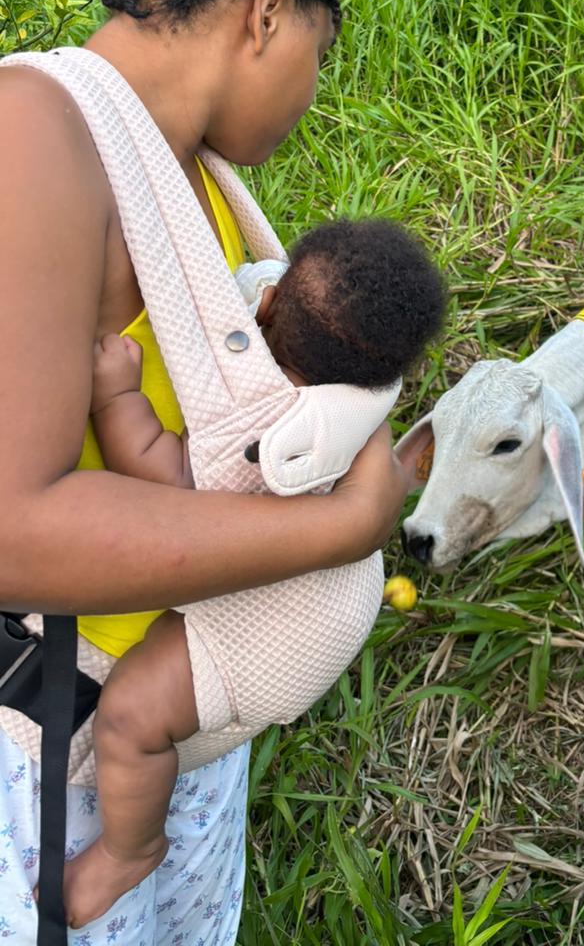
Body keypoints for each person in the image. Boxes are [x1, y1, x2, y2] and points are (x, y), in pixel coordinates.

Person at [0, 0, 416, 945]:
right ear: (268, 9)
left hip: (173, 708)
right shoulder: (36, 132)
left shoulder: (204, 184)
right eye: (320, 51)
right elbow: (17, 526)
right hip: (55, 744)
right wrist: (344, 529)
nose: (314, 90)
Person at [57, 221, 444, 928]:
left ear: (266, 312)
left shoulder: (284, 431)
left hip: (281, 625)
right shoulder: (364, 390)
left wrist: (116, 398)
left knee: (132, 717)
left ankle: (127, 849)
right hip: (332, 584)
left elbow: (165, 476)